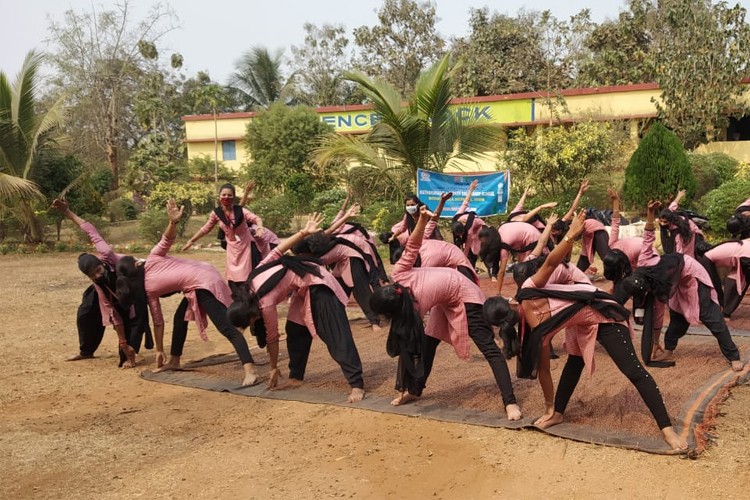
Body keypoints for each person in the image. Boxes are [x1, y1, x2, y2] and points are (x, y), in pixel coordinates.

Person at [483, 210, 689, 452]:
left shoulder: (530, 308)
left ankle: (666, 428)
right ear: (510, 303)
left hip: (603, 315)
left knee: (633, 372)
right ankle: (558, 413)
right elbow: (549, 262)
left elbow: (545, 372)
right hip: (581, 321)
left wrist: (570, 235)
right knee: (574, 363)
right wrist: (570, 235)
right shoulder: (532, 317)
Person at [370, 206, 522, 421]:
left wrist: (422, 220)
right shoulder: (400, 277)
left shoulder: (413, 302)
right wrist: (422, 220)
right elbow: (412, 245)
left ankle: (510, 402)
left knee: (489, 349)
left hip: (465, 294)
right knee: (428, 344)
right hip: (445, 298)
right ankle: (414, 390)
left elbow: (414, 243)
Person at [117, 200, 259, 386]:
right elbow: (157, 321)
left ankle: (250, 371)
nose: (139, 259)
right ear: (136, 265)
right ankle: (174, 360)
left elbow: (167, 239)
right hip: (200, 278)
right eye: (136, 259)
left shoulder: (153, 260)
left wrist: (173, 222)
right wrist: (160, 351)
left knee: (227, 328)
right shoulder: (148, 285)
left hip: (203, 282)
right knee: (179, 318)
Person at [228, 213, 366, 403]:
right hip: (303, 287)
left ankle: (356, 384)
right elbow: (279, 250)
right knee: (295, 330)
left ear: (249, 316)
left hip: (319, 284)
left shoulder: (264, 303)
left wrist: (273, 367)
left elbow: (272, 338)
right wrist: (302, 232)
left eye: (249, 323)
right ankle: (295, 377)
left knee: (335, 334)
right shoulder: (252, 279)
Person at [620, 205, 745, 372]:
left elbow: (648, 235)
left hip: (691, 273)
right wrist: (656, 342)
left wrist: (650, 214)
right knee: (677, 318)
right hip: (676, 283)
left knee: (710, 316)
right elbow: (656, 317)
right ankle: (669, 349)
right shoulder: (654, 289)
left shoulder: (644, 260)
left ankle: (733, 355)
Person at [52, 199, 147, 367]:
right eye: (92, 275)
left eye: (98, 271)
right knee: (86, 312)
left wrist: (68, 212)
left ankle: (129, 356)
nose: (97, 275)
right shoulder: (98, 283)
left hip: (130, 279)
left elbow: (90, 230)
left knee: (133, 315)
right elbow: (112, 313)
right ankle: (86, 351)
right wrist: (122, 341)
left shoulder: (107, 254)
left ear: (102, 264)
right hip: (109, 289)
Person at [293, 204, 383, 331]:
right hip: (340, 263)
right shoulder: (306, 253)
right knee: (335, 291)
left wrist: (347, 216)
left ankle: (375, 321)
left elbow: (331, 229)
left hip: (351, 258)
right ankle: (334, 318)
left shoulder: (314, 245)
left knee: (360, 290)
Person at [182, 182, 265, 295]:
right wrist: (191, 241)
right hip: (232, 250)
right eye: (224, 195)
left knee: (252, 278)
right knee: (234, 280)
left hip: (247, 248)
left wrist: (260, 227)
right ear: (219, 196)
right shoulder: (216, 213)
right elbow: (205, 228)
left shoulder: (240, 210)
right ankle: (240, 303)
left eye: (229, 195)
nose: (226, 197)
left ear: (233, 197)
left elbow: (256, 218)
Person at [658, 190, 703, 257]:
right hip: (686, 228)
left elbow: (679, 249)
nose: (662, 224)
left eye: (665, 222)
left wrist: (679, 260)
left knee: (687, 251)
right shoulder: (669, 213)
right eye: (661, 221)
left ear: (670, 220)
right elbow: (673, 205)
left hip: (691, 231)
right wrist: (679, 195)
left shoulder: (677, 233)